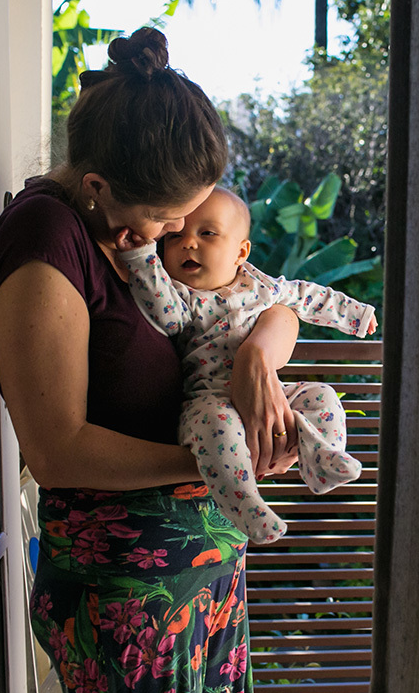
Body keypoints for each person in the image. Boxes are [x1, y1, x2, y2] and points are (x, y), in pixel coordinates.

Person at [0, 28, 290, 693]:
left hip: (201, 576)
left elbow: (261, 301)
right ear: (96, 187)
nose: (181, 231)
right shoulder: (45, 246)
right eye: (167, 216)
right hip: (130, 599)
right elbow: (56, 452)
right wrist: (212, 461)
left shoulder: (121, 232)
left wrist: (255, 363)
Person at [115, 187, 377, 544]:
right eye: (175, 237)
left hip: (271, 391)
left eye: (207, 233)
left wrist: (355, 315)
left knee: (321, 396)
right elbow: (166, 316)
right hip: (207, 399)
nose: (188, 243)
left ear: (241, 251)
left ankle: (321, 457)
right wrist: (143, 258)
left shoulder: (261, 286)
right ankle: (246, 507)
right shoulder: (182, 297)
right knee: (216, 426)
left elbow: (307, 295)